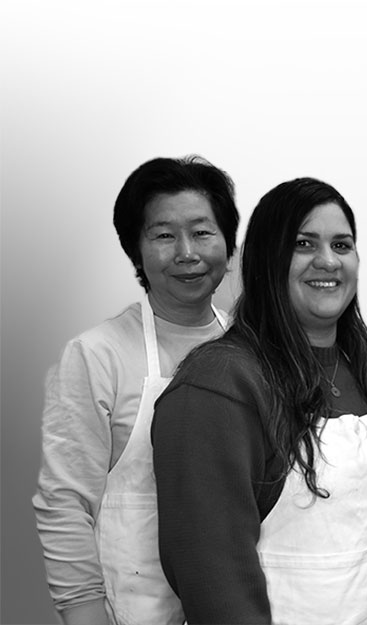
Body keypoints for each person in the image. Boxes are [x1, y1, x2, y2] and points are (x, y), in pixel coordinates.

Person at [152, 178, 367, 624]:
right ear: (266, 261)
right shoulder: (219, 386)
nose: (328, 260)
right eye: (303, 243)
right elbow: (214, 578)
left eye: (342, 244)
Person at [32, 156, 238, 625]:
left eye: (203, 232)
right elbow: (64, 502)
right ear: (136, 250)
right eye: (164, 235)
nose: (187, 252)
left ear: (228, 244)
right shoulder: (97, 355)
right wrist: (84, 615)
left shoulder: (251, 348)